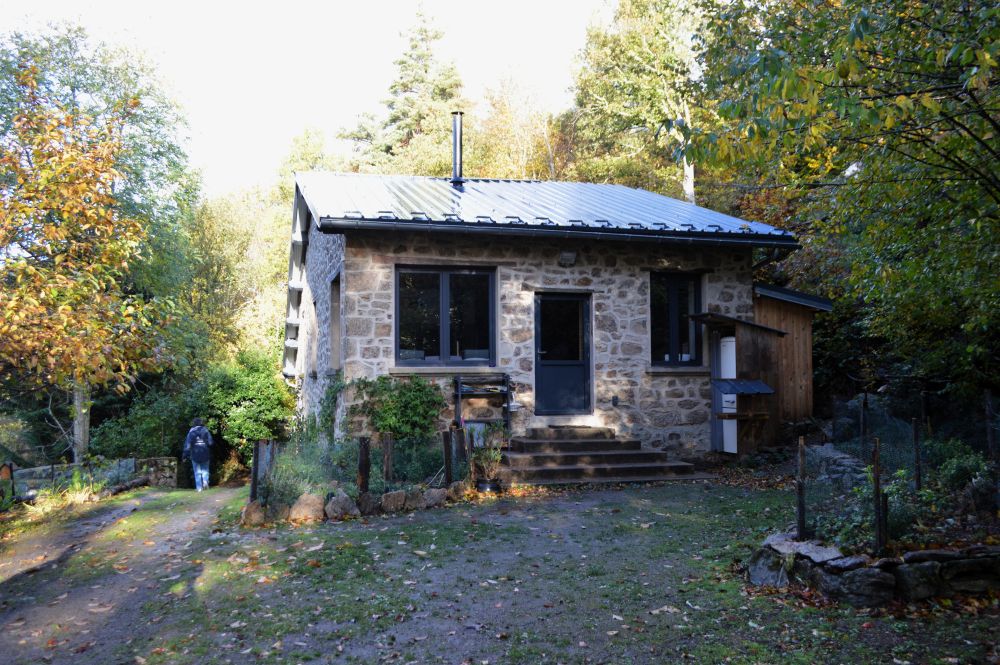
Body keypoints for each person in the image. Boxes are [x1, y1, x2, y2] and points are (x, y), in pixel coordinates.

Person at [182, 418, 214, 491]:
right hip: (205, 453)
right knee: (205, 470)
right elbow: (211, 443)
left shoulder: (191, 432)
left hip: (195, 454)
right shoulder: (205, 430)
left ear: (194, 423)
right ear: (201, 423)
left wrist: (184, 456)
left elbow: (187, 445)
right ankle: (205, 482)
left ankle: (199, 488)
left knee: (197, 472)